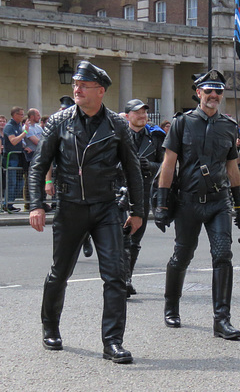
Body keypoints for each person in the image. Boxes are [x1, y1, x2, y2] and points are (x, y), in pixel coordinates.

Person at [29, 60, 144, 364]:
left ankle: (113, 342)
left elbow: (133, 172)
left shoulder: (118, 125)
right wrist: (36, 204)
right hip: (70, 207)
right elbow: (38, 166)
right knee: (59, 273)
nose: (77, 90)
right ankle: (50, 327)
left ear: (101, 91)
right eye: (75, 85)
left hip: (106, 207)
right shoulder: (59, 121)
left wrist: (137, 210)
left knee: (116, 276)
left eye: (84, 86)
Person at [154, 70, 240, 340]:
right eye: (208, 92)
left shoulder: (229, 126)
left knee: (223, 256)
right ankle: (171, 306)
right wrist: (161, 203)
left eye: (218, 92)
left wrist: (239, 205)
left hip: (218, 202)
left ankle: (222, 319)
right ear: (199, 93)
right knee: (182, 255)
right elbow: (168, 164)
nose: (213, 96)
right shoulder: (182, 123)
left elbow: (232, 168)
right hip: (188, 201)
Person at [123, 99, 165, 296]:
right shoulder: (119, 136)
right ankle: (121, 280)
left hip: (144, 191)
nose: (142, 116)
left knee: (134, 240)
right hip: (121, 192)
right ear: (128, 116)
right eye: (137, 113)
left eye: (144, 113)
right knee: (121, 239)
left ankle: (127, 278)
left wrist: (150, 166)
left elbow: (166, 164)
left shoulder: (156, 137)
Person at [3, 106, 27, 212]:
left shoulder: (19, 126)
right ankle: (7, 204)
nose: (22, 116)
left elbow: (19, 142)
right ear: (15, 115)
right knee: (11, 182)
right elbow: (13, 141)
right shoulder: (9, 126)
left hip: (19, 156)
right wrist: (25, 132)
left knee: (20, 182)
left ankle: (11, 203)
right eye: (21, 114)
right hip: (11, 157)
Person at [23, 108, 43, 210]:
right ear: (32, 116)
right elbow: (38, 142)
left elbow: (45, 138)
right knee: (29, 180)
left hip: (39, 156)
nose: (39, 117)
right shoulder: (27, 128)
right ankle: (28, 203)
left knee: (40, 180)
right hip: (30, 158)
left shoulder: (38, 128)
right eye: (37, 115)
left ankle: (40, 201)